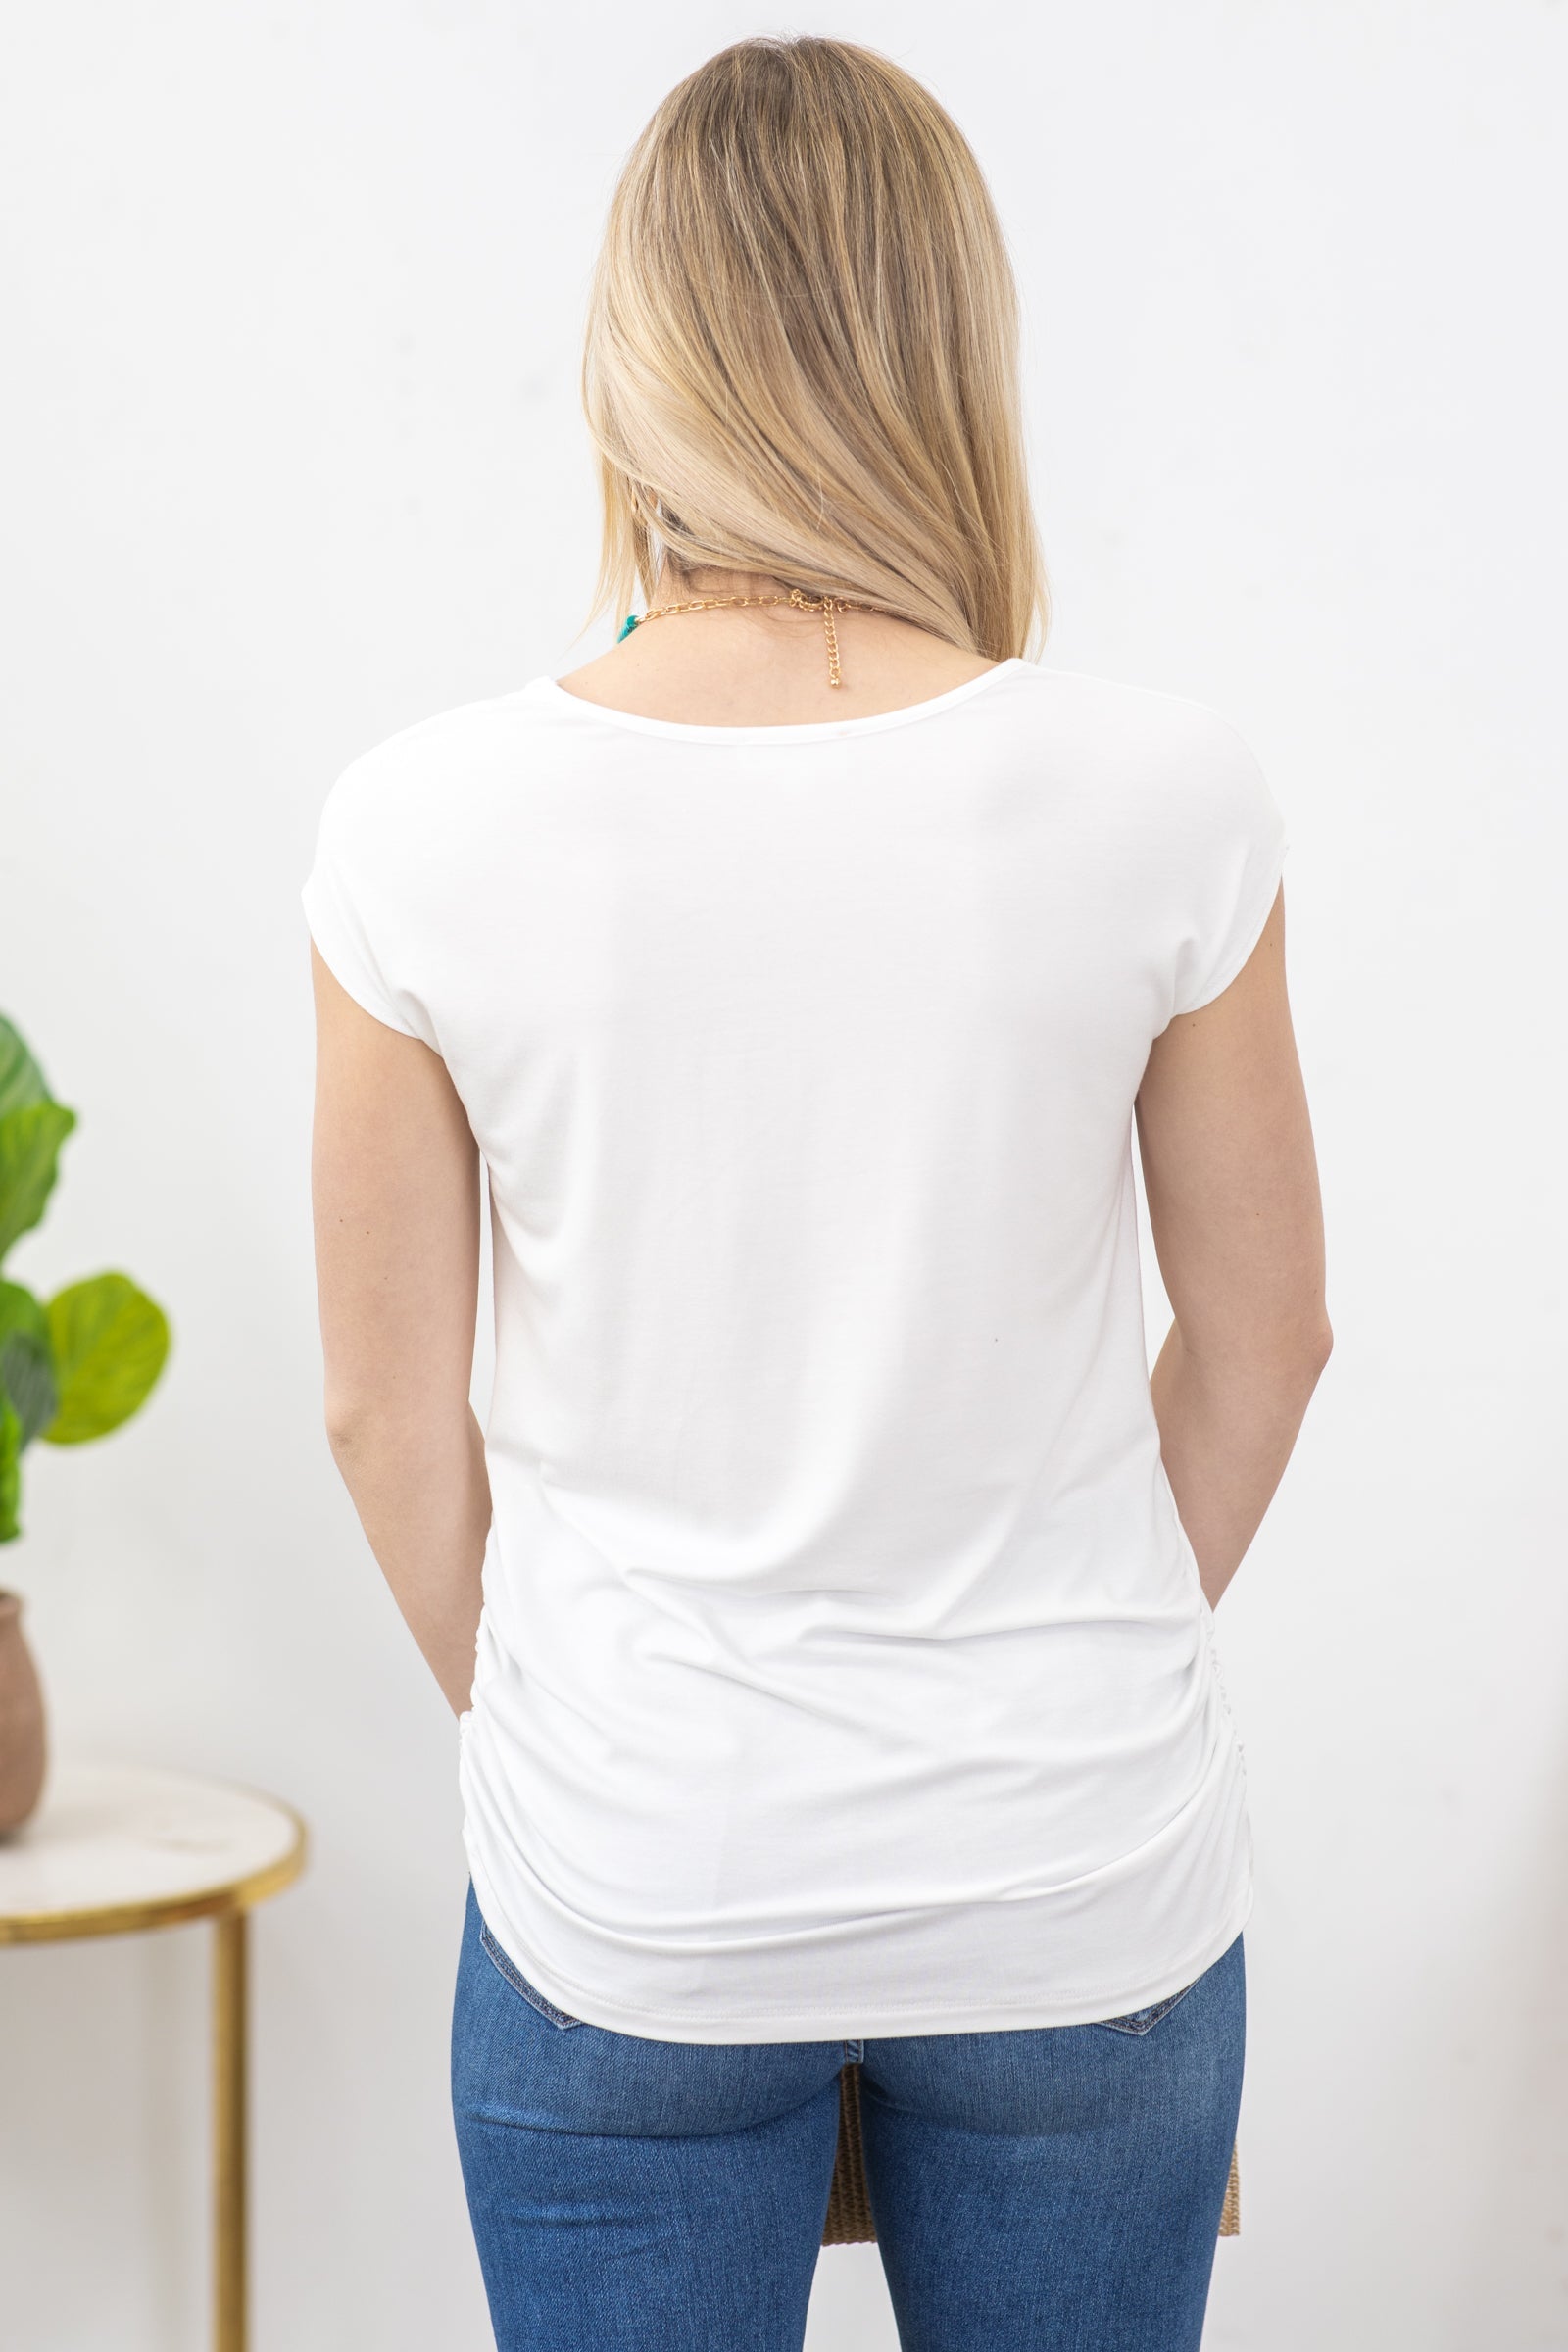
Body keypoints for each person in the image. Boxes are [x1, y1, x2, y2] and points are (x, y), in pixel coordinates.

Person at [304, 34, 1331, 2352]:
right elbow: (1267, 1341)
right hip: (1075, 1878)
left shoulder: (421, 827)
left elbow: (382, 1415)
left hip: (633, 1888)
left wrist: (593, 1726)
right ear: (950, 345)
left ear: (633, 359)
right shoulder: (1162, 796)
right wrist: (1057, 1651)